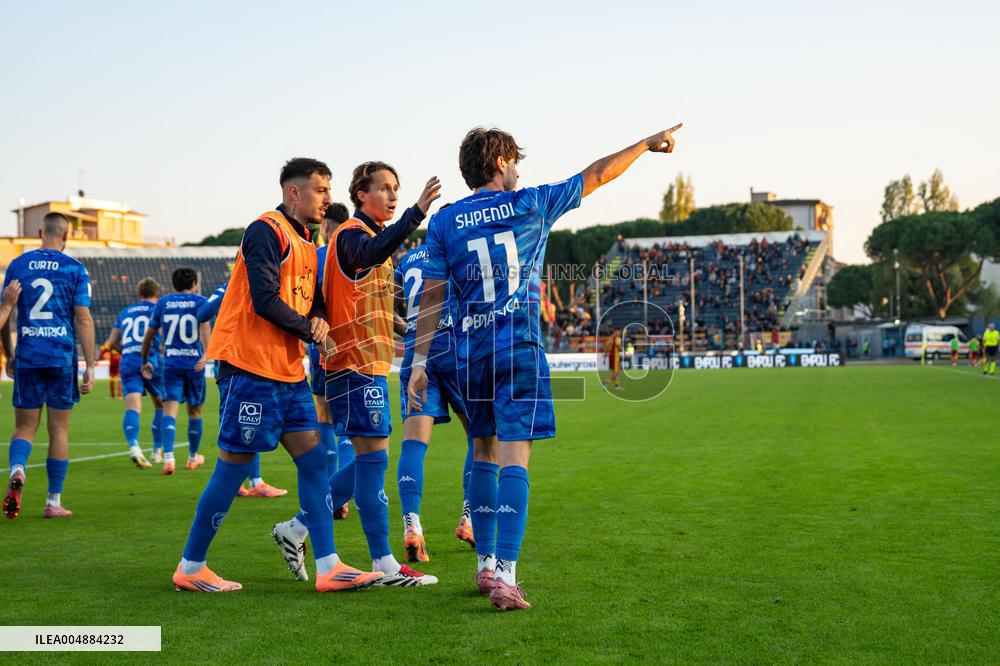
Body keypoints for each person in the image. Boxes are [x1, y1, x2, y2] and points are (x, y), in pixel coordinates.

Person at [408, 124, 682, 610]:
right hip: (518, 347)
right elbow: (597, 174)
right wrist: (643, 144)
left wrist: (421, 362)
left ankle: (485, 566)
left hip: (469, 355)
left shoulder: (446, 221)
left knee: (483, 454)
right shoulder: (531, 203)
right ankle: (507, 577)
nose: (518, 169)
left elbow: (431, 294)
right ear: (499, 163)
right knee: (514, 459)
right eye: (514, 161)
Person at [172, 157, 381, 593]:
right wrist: (309, 328)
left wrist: (318, 319)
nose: (328, 198)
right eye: (321, 190)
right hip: (249, 367)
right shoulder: (265, 230)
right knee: (232, 469)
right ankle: (191, 567)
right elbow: (266, 299)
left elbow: (312, 299)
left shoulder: (307, 241)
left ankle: (328, 566)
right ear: (294, 192)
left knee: (314, 464)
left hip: (286, 372)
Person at [272, 161, 440, 587]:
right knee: (373, 461)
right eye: (383, 188)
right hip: (353, 364)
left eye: (396, 189)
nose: (392, 194)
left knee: (370, 460)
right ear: (360, 195)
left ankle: (298, 528)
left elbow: (363, 300)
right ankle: (383, 563)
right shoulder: (353, 237)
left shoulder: (365, 241)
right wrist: (416, 212)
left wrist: (400, 326)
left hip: (365, 362)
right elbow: (371, 255)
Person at [1, 213, 96, 519]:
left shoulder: (18, 265)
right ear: (66, 236)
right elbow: (83, 318)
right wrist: (91, 364)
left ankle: (18, 470)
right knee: (59, 431)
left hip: (28, 355)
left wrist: (10, 354)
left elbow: (6, 311)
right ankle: (53, 501)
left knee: (25, 428)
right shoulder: (75, 268)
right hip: (60, 358)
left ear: (41, 232)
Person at [395, 239, 475, 562]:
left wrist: (412, 332)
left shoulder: (407, 260)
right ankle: (470, 517)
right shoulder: (456, 248)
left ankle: (412, 526)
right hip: (456, 348)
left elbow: (390, 308)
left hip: (418, 354)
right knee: (481, 437)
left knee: (413, 444)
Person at [197, 279, 287, 498]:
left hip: (231, 365)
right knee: (249, 421)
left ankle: (237, 481)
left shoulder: (226, 287)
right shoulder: (259, 284)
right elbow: (201, 315)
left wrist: (211, 350)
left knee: (237, 422)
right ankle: (252, 481)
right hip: (247, 363)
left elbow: (202, 314)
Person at [306, 202, 355, 517]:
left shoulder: (315, 257)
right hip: (355, 348)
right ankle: (345, 495)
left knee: (324, 417)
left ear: (325, 226)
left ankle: (328, 491)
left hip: (321, 345)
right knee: (351, 427)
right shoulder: (358, 255)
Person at [141, 268, 210, 474]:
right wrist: (207, 355)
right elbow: (205, 329)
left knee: (170, 409)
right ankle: (192, 458)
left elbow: (150, 334)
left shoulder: (163, 303)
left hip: (171, 364)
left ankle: (168, 458)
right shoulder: (200, 302)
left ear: (173, 283)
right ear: (195, 283)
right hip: (194, 364)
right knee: (195, 411)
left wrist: (144, 358)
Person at [101, 277, 165, 468]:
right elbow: (161, 335)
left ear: (139, 294)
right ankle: (156, 451)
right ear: (156, 294)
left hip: (128, 360)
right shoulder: (157, 309)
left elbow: (111, 343)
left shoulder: (126, 312)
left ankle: (135, 447)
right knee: (161, 405)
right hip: (151, 359)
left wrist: (126, 351)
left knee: (132, 408)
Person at [603, 327, 623, 391]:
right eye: (619, 332)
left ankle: (617, 386)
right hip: (615, 357)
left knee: (614, 372)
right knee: (617, 371)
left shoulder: (610, 338)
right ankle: (606, 381)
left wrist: (606, 353)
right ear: (616, 331)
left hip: (610, 356)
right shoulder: (617, 338)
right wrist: (623, 349)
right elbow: (619, 348)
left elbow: (605, 345)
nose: (620, 333)